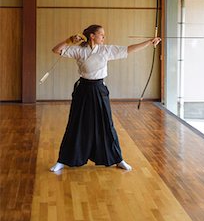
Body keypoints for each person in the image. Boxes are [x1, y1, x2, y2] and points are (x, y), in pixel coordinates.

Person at [50, 24, 161, 173]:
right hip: (83, 89)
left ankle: (118, 159)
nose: (104, 37)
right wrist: (69, 40)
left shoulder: (106, 50)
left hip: (99, 90)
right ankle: (63, 160)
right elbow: (56, 50)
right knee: (75, 124)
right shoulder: (79, 50)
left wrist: (149, 42)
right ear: (92, 36)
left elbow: (128, 49)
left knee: (106, 124)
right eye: (101, 34)